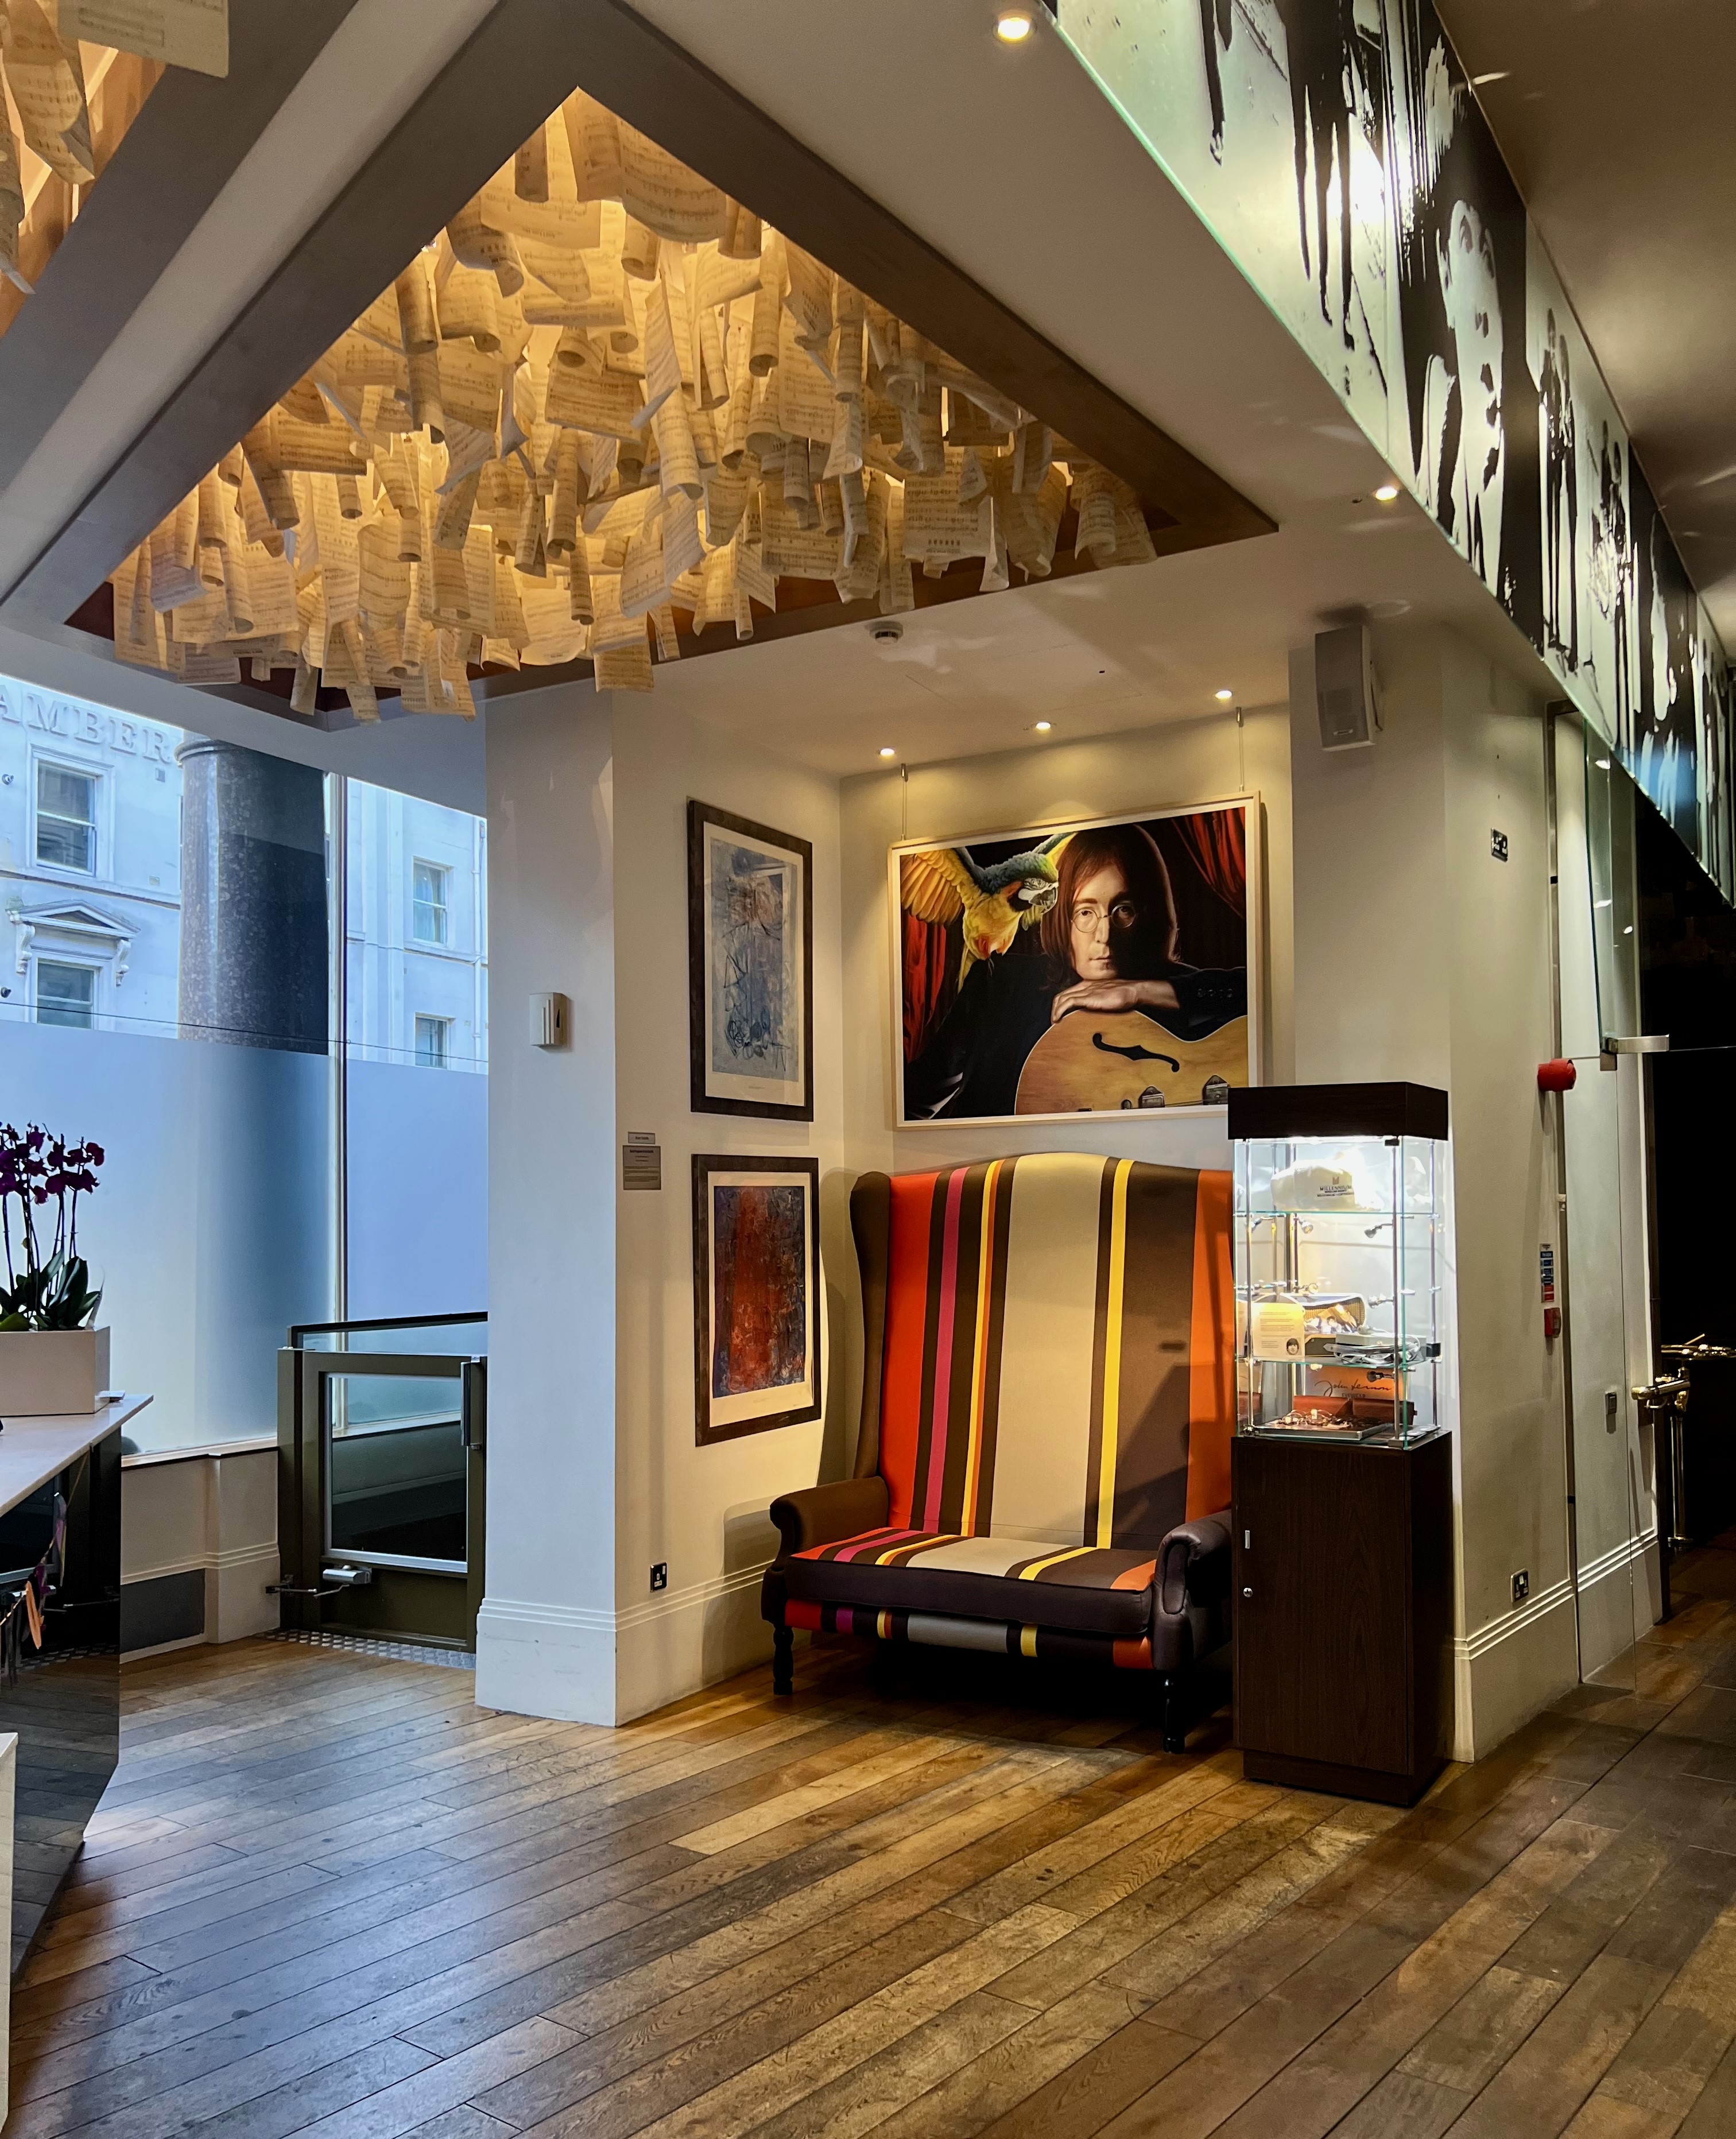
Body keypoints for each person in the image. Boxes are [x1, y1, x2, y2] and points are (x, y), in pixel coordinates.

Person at [903, 823, 1246, 1121]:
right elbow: (919, 1098)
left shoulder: (1169, 987)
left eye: (1123, 909)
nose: (1104, 935)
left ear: (1149, 914)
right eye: (1085, 912)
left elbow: (1255, 990)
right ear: (1063, 919)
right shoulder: (1000, 986)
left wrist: (1138, 991)